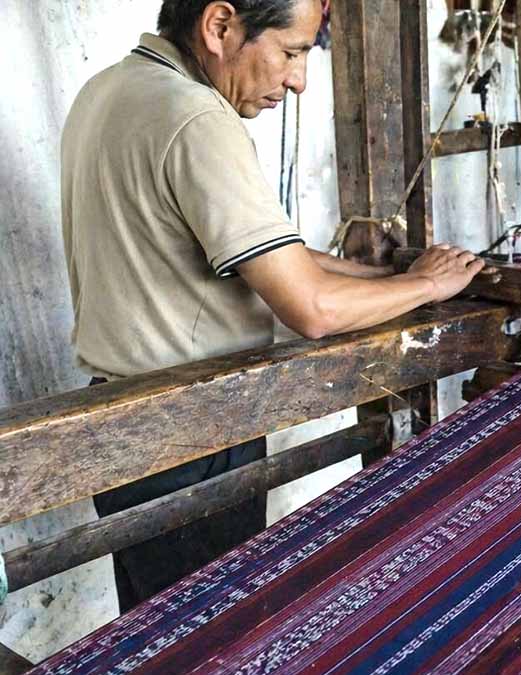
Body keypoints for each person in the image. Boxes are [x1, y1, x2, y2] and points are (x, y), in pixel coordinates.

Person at [59, 0, 484, 613]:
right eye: (291, 52)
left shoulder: (109, 91)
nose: (299, 79)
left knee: (156, 630)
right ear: (219, 25)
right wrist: (428, 289)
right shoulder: (196, 117)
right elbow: (311, 309)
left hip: (122, 427)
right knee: (209, 636)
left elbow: (272, 255)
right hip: (193, 433)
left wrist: (381, 272)